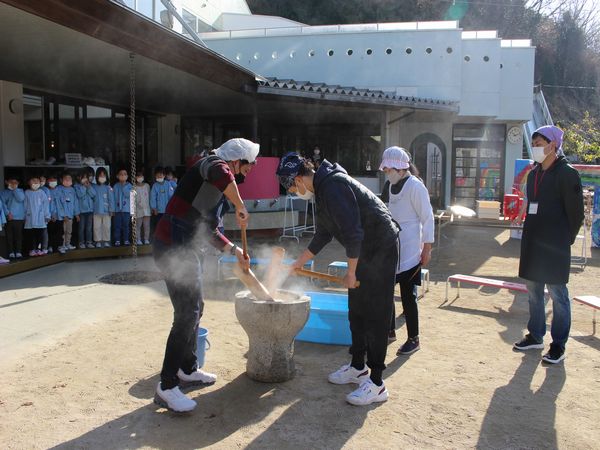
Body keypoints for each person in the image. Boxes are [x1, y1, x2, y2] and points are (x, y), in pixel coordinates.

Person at [277, 152, 399, 406]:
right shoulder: (322, 190)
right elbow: (323, 234)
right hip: (364, 251)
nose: (293, 192)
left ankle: (377, 383)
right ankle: (358, 367)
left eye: (292, 188)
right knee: (357, 311)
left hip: (381, 248)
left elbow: (353, 233)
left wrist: (351, 272)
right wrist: (298, 263)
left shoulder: (332, 186)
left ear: (298, 179)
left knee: (376, 314)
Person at [153, 138, 257, 413]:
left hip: (188, 246)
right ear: (236, 160)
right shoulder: (211, 164)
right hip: (172, 244)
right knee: (186, 313)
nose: (249, 172)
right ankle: (167, 385)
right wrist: (240, 204)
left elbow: (210, 231)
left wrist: (235, 250)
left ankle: (188, 369)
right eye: (248, 166)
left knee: (196, 308)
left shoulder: (217, 194)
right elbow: (220, 172)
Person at [513, 125, 584, 364]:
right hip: (533, 242)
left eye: (539, 144)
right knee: (534, 292)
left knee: (558, 295)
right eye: (533, 144)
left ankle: (558, 345)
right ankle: (535, 335)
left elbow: (576, 214)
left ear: (553, 145)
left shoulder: (567, 173)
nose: (535, 148)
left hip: (555, 246)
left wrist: (565, 239)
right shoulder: (534, 173)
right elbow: (532, 204)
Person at [379, 147, 434, 354]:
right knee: (385, 291)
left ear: (401, 168)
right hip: (391, 245)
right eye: (385, 170)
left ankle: (413, 339)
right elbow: (383, 211)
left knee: (408, 296)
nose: (387, 173)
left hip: (411, 248)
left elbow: (427, 217)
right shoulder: (389, 185)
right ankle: (389, 330)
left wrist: (427, 248)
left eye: (389, 169)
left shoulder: (415, 186)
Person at [24, 175, 50, 257]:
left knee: (40, 235)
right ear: (29, 182)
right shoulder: (27, 192)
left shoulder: (42, 192)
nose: (35, 182)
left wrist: (47, 215)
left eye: (37, 181)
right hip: (30, 217)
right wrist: (25, 216)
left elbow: (46, 205)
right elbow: (25, 205)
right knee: (31, 235)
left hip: (40, 218)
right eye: (33, 180)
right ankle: (32, 249)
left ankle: (39, 249)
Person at [2, 175, 25, 259]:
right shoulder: (3, 192)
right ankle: (11, 252)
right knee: (9, 236)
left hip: (19, 218)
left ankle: (18, 251)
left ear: (18, 183)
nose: (13, 184)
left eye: (15, 182)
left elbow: (20, 199)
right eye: (11, 182)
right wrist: (7, 213)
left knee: (18, 236)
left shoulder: (21, 191)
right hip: (9, 218)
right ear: (6, 182)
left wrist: (15, 189)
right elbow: (3, 204)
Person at [56, 173, 80, 253]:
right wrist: (63, 215)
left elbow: (75, 202)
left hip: (70, 215)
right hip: (62, 217)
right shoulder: (59, 189)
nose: (67, 180)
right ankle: (62, 245)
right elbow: (58, 204)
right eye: (66, 179)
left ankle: (67, 244)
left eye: (69, 179)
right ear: (61, 180)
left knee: (69, 231)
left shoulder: (72, 190)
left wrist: (76, 214)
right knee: (63, 231)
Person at [92, 167, 114, 248]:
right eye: (100, 175)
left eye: (103, 175)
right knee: (96, 227)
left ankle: (106, 240)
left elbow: (111, 200)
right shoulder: (94, 187)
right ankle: (98, 241)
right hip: (96, 211)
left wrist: (111, 210)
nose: (102, 177)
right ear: (97, 177)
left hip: (107, 211)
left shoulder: (108, 187)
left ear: (106, 177)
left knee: (107, 226)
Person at [150, 166, 175, 236]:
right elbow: (152, 198)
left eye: (160, 175)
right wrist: (154, 208)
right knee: (159, 224)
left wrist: (172, 207)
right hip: (159, 211)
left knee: (167, 224)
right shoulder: (155, 186)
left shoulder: (168, 184)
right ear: (155, 176)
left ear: (164, 175)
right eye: (157, 176)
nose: (159, 177)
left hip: (167, 210)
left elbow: (171, 196)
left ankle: (167, 236)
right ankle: (159, 237)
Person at [75, 170, 96, 249]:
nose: (85, 179)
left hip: (90, 211)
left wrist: (89, 187)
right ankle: (81, 242)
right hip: (81, 211)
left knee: (89, 228)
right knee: (81, 228)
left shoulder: (90, 185)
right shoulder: (76, 186)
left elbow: (93, 194)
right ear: (78, 178)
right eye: (83, 177)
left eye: (86, 177)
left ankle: (89, 242)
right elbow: (80, 194)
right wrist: (84, 187)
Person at [113, 168, 132, 246]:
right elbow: (113, 198)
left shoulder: (130, 186)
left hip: (126, 210)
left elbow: (128, 195)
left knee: (126, 226)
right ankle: (117, 240)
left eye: (124, 174)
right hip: (117, 210)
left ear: (127, 176)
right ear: (117, 176)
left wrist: (124, 186)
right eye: (121, 174)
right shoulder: (115, 186)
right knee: (117, 226)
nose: (123, 176)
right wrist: (113, 209)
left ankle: (126, 239)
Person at [45, 175, 63, 254]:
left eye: (54, 180)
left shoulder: (60, 190)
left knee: (59, 232)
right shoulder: (47, 191)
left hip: (59, 215)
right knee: (51, 231)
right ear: (47, 181)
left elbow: (63, 202)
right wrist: (52, 214)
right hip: (50, 216)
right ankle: (50, 246)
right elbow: (48, 204)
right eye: (50, 180)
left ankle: (59, 246)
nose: (52, 182)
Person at [133, 169, 151, 245]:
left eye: (141, 176)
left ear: (143, 177)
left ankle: (146, 239)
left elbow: (150, 196)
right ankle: (138, 239)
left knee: (147, 226)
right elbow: (132, 199)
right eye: (138, 176)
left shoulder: (147, 186)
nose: (140, 178)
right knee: (138, 226)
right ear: (135, 177)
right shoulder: (134, 187)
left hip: (147, 209)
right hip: (138, 210)